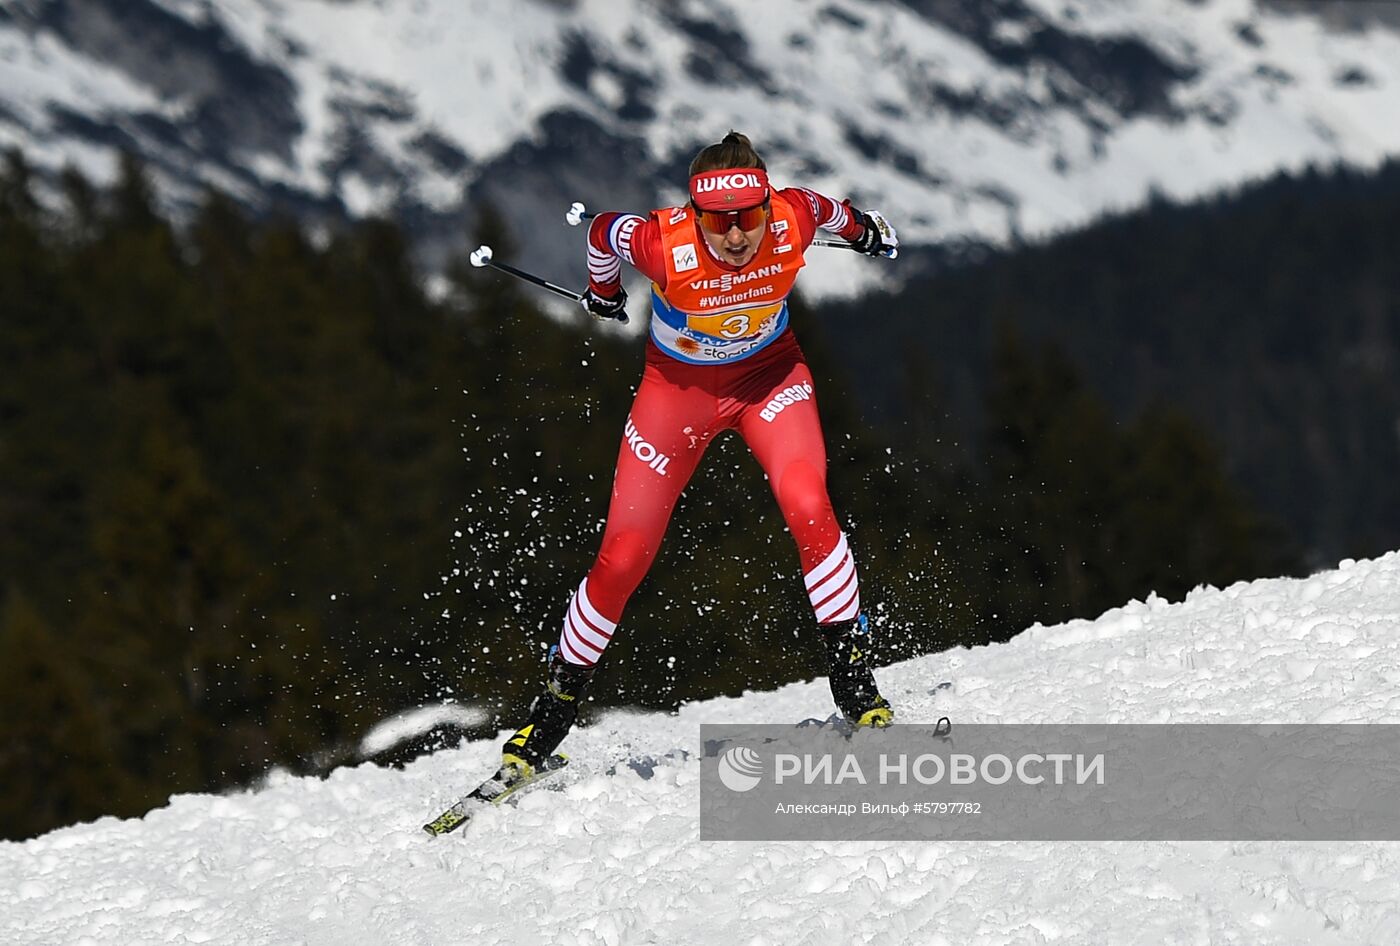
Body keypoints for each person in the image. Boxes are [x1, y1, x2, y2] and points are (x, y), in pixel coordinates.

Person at [501, 131, 900, 776]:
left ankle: (856, 690)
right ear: (695, 213)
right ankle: (549, 716)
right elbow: (603, 233)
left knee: (807, 502)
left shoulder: (795, 214)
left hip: (768, 380)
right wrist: (604, 294)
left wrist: (866, 233)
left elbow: (840, 216)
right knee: (623, 556)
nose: (737, 238)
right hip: (676, 395)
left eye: (749, 219)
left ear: (769, 206)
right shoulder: (662, 240)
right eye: (720, 223)